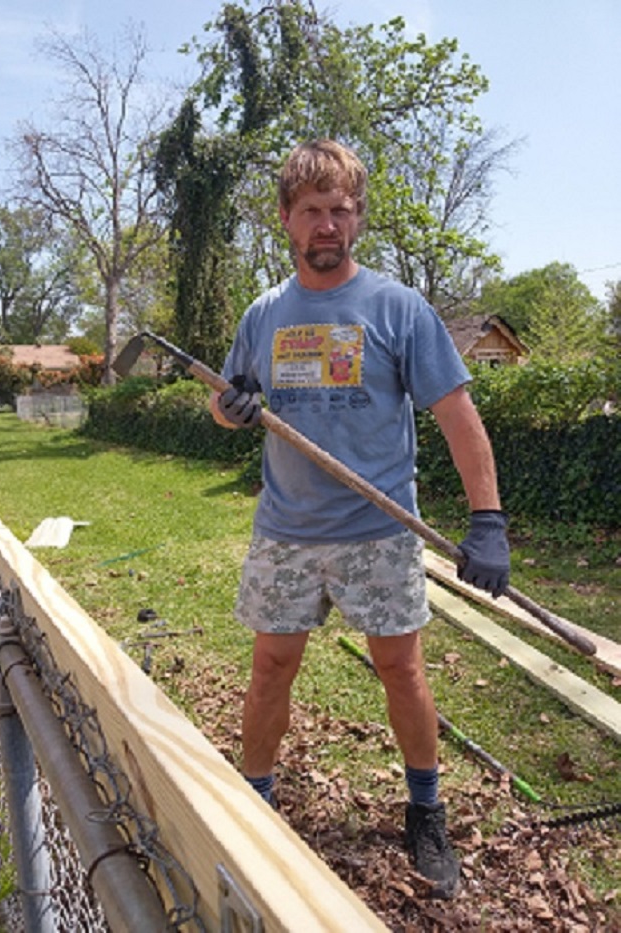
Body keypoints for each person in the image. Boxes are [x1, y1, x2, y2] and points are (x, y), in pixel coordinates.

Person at [209, 139, 509, 900]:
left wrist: (488, 518)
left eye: (341, 210)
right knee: (271, 665)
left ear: (357, 220)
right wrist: (232, 406)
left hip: (379, 531)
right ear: (286, 220)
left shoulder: (397, 308)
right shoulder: (265, 313)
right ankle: (257, 797)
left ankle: (426, 807)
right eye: (312, 210)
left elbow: (458, 414)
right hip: (287, 529)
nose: (328, 225)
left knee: (401, 668)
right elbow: (225, 400)